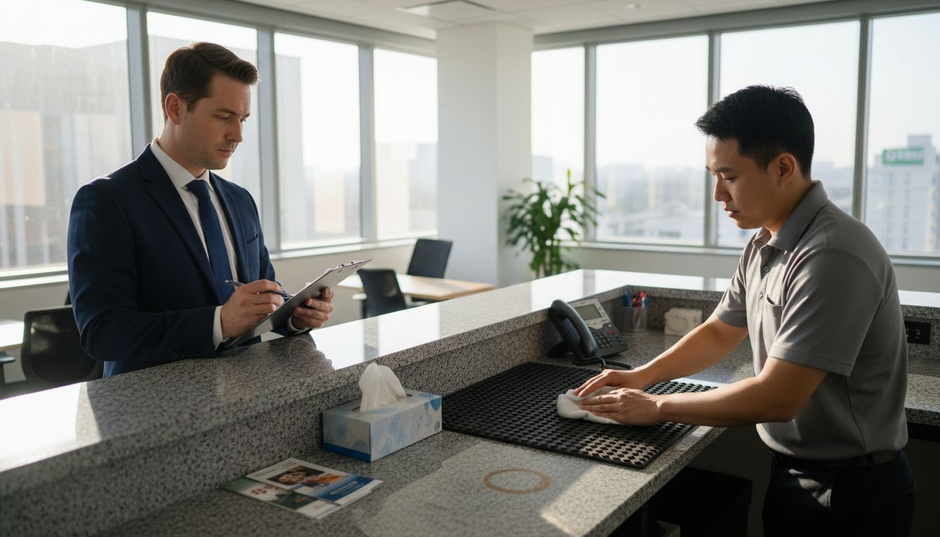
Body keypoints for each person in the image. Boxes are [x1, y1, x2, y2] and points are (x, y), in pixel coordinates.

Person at [575, 86, 915, 536]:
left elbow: (779, 396)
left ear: (783, 168)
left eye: (729, 176)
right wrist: (640, 376)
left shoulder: (833, 255)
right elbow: (720, 330)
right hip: (797, 471)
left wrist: (656, 406)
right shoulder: (765, 242)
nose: (718, 194)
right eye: (713, 175)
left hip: (850, 489)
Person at [67, 42, 333, 377]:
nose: (237, 135)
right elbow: (102, 332)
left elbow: (263, 296)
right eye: (224, 117)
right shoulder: (107, 200)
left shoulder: (240, 200)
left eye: (242, 119)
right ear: (176, 108)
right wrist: (218, 323)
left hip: (248, 396)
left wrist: (293, 315)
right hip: (156, 411)